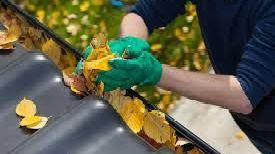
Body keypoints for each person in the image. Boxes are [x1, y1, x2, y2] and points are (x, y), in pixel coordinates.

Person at [84, 0, 275, 153]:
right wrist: (130, 43)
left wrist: (153, 72)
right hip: (253, 124)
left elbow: (243, 94)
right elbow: (143, 13)